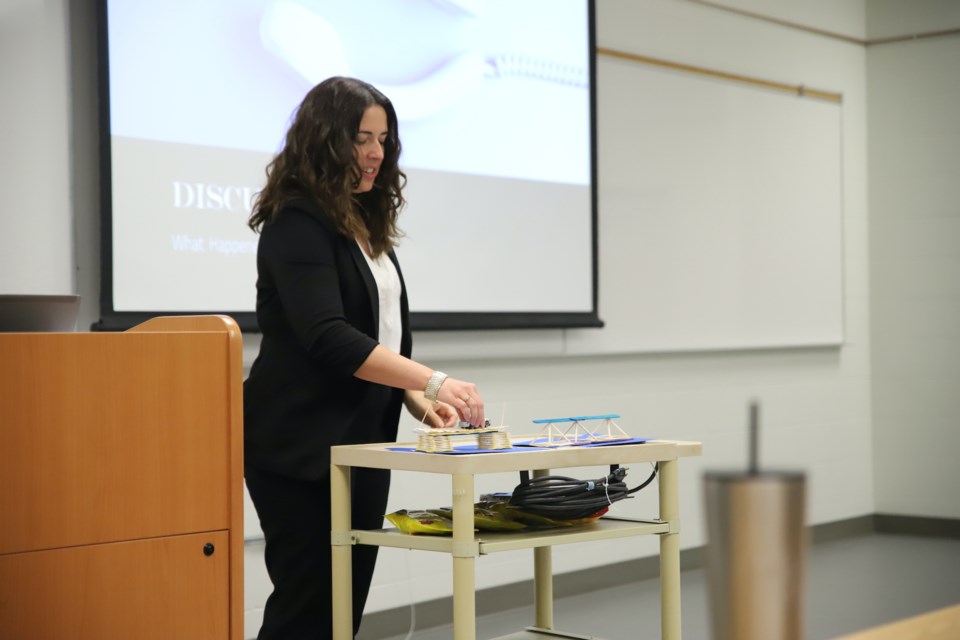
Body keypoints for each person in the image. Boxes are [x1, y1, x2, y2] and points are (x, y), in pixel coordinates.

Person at [243, 76, 485, 640]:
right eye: (360, 138)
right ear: (325, 141)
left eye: (383, 138)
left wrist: (416, 395)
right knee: (308, 609)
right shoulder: (296, 221)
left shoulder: (364, 226)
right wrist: (433, 378)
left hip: (360, 442)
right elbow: (328, 336)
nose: (376, 152)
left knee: (342, 610)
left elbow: (379, 336)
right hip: (299, 446)